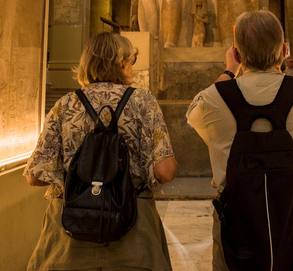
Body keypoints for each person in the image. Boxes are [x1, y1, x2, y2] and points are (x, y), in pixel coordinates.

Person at [186, 10, 293, 271]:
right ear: (285, 51)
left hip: (235, 222)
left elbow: (192, 114)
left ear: (238, 55)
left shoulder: (214, 99)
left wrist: (229, 72)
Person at [24, 32, 179, 271]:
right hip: (132, 231)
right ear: (121, 63)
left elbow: (35, 176)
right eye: (132, 61)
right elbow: (165, 171)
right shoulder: (142, 101)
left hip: (70, 235)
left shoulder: (65, 104)